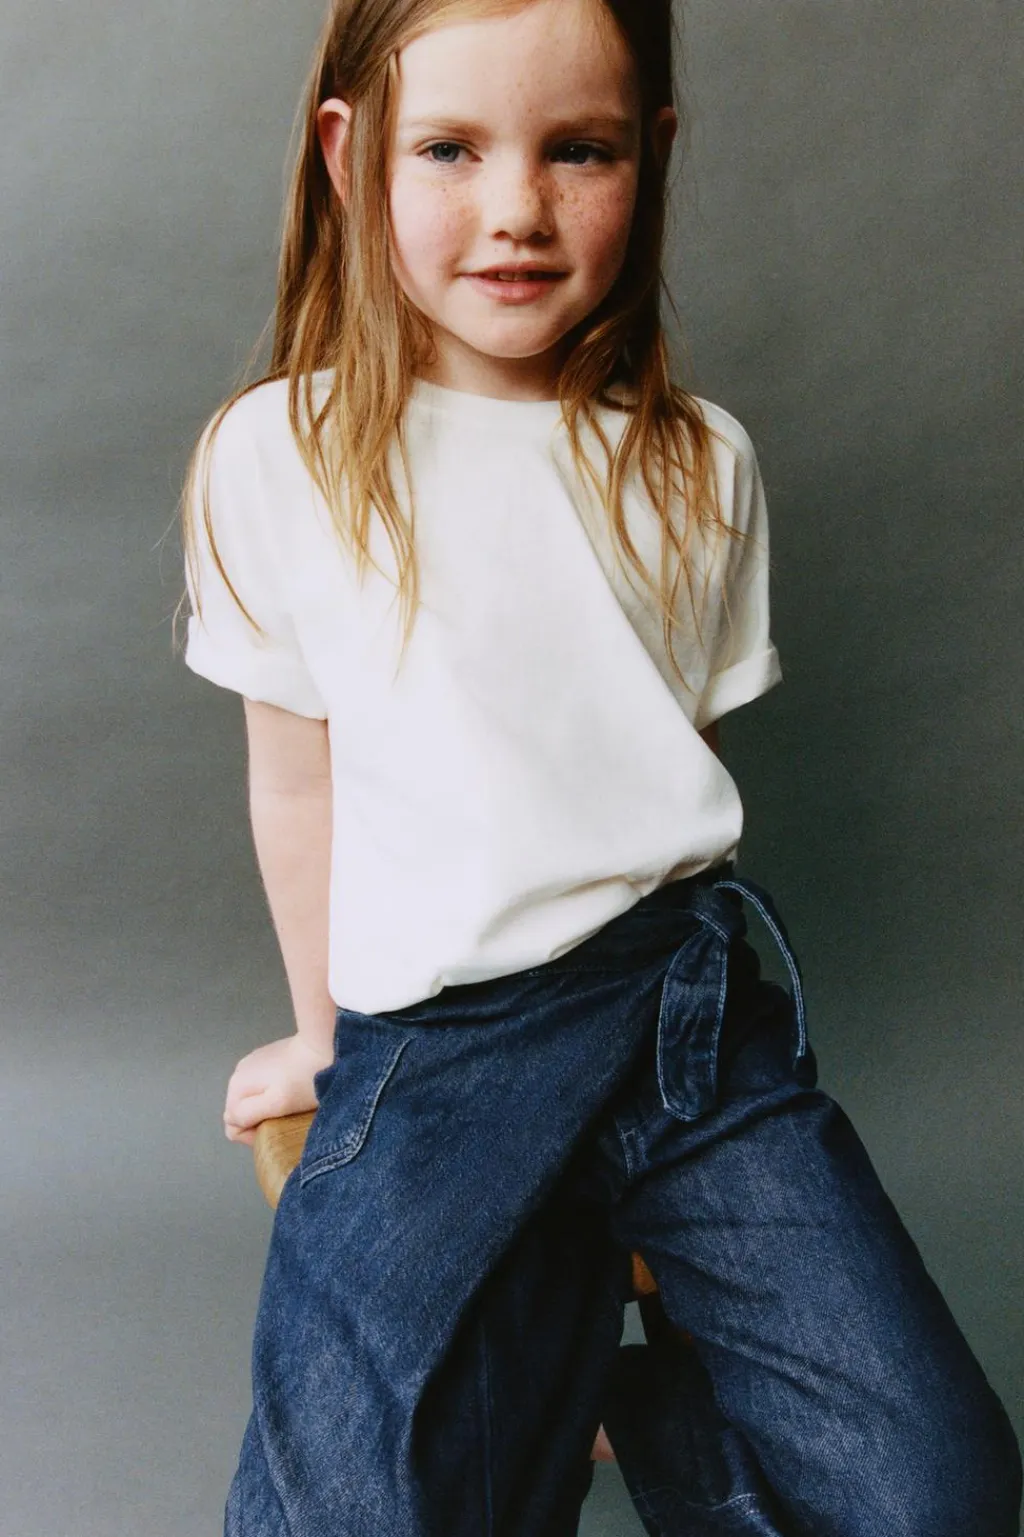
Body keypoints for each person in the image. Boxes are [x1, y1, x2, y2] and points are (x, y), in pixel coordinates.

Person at [177, 0, 1022, 1533]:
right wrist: (328, 1041)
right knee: (350, 1503)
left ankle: (641, 1391)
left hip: (686, 1030)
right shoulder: (281, 453)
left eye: (579, 151)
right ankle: (540, 1366)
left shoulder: (699, 463)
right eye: (451, 149)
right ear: (349, 156)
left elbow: (667, 768)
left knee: (937, 1492)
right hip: (436, 1052)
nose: (518, 208)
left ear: (654, 155)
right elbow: (297, 787)